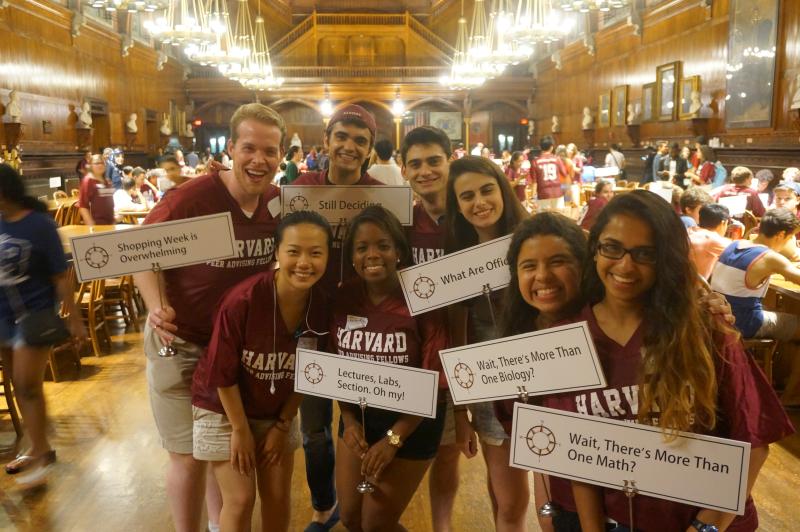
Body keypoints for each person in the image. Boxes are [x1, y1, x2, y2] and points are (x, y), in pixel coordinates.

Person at [560, 190, 794, 532]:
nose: (626, 265)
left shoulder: (706, 329)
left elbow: (754, 444)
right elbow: (575, 455)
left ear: (666, 258)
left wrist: (702, 528)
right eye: (612, 247)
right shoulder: (569, 338)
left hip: (705, 522)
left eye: (645, 254)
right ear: (594, 250)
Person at [133, 103, 285, 532]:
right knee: (186, 454)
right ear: (231, 148)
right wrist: (154, 305)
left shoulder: (277, 204)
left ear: (281, 155)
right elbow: (143, 252)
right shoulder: (192, 198)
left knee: (216, 449)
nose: (259, 160)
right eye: (250, 148)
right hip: (181, 342)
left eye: (270, 151)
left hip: (232, 352)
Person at [191, 211, 333, 532]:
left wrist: (283, 425)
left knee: (278, 495)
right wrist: (240, 430)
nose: (304, 262)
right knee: (240, 499)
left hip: (276, 409)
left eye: (316, 253)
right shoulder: (243, 300)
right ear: (277, 252)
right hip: (222, 408)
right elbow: (222, 375)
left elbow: (312, 372)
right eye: (293, 251)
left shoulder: (323, 306)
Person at [293, 104, 383, 531]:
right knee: (313, 430)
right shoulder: (300, 188)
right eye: (342, 136)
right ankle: (323, 504)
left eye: (360, 141)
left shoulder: (380, 196)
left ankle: (360, 505)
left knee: (363, 422)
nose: (349, 146)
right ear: (326, 140)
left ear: (369, 151)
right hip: (309, 324)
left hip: (362, 330)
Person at [333, 206, 447, 531]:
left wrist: (394, 439)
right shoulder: (344, 297)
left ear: (398, 250)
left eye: (383, 245)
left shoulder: (422, 298)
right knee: (350, 517)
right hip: (360, 419)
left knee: (375, 525)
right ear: (352, 255)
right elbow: (335, 369)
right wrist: (350, 421)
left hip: (413, 423)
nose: (373, 254)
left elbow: (434, 382)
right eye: (362, 247)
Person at [445, 156, 531, 531]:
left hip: (543, 379)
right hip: (488, 388)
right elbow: (457, 340)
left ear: (502, 189)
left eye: (486, 190)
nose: (479, 202)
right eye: (467, 196)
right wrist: (460, 414)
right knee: (504, 495)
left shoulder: (534, 240)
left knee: (521, 500)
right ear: (457, 206)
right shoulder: (457, 262)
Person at [0, 164, 84, 488]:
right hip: (3, 316)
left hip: (34, 315)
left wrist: (74, 320)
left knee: (27, 385)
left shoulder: (40, 225)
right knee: (19, 385)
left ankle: (38, 453)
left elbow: (59, 276)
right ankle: (39, 446)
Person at [711, 208, 800, 341]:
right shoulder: (770, 257)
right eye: (791, 237)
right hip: (741, 323)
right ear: (781, 235)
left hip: (717, 318)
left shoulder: (734, 244)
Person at [689, 203, 732, 280]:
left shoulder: (690, 230)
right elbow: (738, 252)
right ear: (723, 223)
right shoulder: (713, 240)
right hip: (697, 288)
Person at [78, 154, 115, 226]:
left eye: (102, 163)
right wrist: (91, 225)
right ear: (91, 165)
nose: (100, 165)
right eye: (97, 163)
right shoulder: (88, 181)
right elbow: (83, 206)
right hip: (97, 226)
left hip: (110, 225)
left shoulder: (107, 181)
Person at [532, 136, 567, 211]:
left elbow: (534, 182)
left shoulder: (536, 161)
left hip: (543, 194)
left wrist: (533, 198)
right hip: (558, 193)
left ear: (540, 147)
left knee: (545, 220)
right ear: (552, 147)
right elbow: (564, 174)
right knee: (558, 218)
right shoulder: (557, 159)